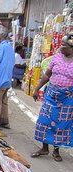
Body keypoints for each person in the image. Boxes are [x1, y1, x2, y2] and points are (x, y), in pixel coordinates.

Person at [30, 32, 73, 162]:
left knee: (61, 124)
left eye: (64, 45)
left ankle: (56, 150)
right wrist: (37, 89)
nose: (61, 46)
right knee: (44, 121)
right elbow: (47, 75)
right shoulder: (56, 58)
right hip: (51, 95)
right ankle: (44, 148)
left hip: (66, 98)